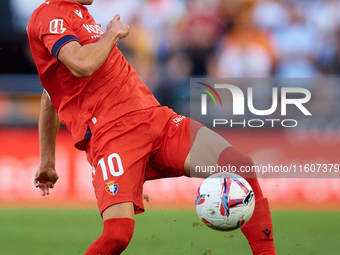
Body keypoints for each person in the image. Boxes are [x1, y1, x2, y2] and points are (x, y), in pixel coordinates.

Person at [27, 0, 277, 254]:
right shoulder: (49, 14)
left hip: (156, 119)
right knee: (117, 235)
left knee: (238, 165)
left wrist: (47, 162)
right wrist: (112, 33)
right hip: (113, 135)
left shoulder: (80, 14)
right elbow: (82, 64)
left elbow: (51, 94)